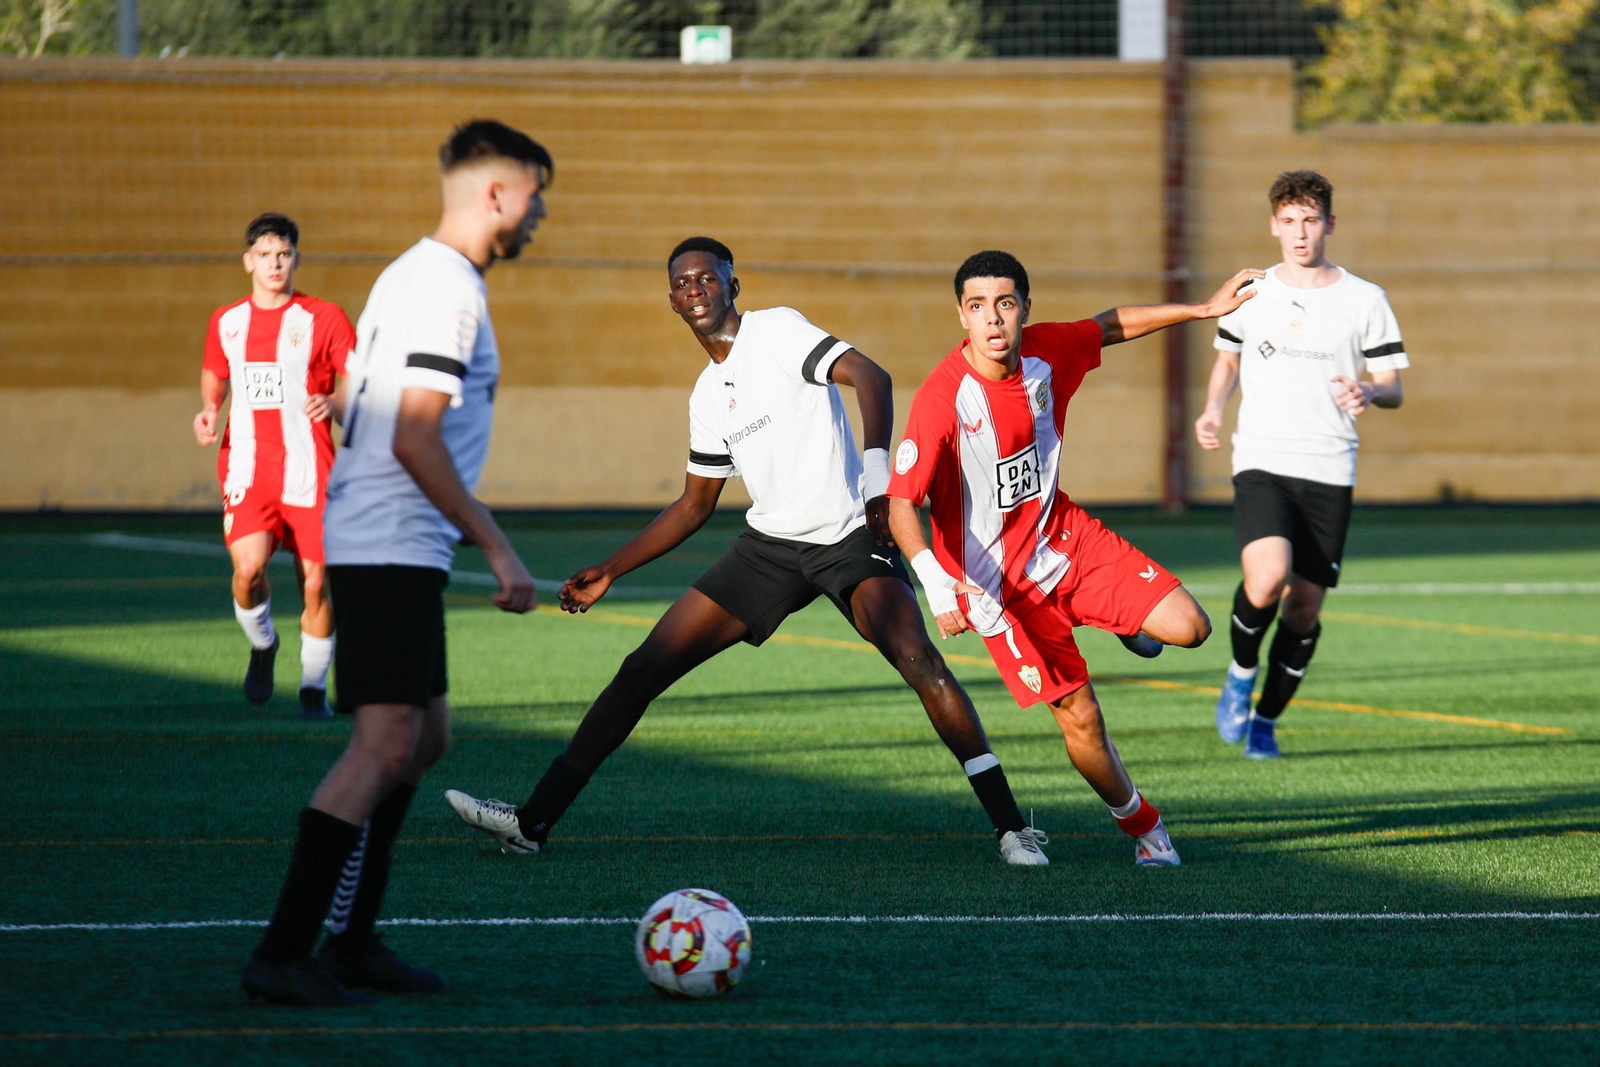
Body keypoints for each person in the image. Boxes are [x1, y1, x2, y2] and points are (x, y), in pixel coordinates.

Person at [445, 236, 1052, 867]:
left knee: (916, 656)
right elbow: (693, 506)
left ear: (732, 286)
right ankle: (532, 822)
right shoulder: (708, 396)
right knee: (641, 669)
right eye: (683, 283)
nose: (696, 290)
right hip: (771, 548)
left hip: (849, 534)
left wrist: (878, 481)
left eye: (707, 278)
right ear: (673, 301)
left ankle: (1011, 829)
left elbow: (872, 376)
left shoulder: (777, 331)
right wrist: (609, 569)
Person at [240, 120, 552, 1007]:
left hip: (390, 538)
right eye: (536, 196)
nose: (540, 215)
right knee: (383, 745)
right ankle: (285, 952)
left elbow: (356, 404)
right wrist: (496, 542)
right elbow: (415, 434)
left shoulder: (413, 272)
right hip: (387, 543)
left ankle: (352, 940)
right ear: (496, 192)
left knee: (428, 736)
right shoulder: (448, 287)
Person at [887, 250, 1261, 867]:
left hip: (1063, 539)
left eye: (1005, 303)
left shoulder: (1048, 351)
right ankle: (1146, 829)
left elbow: (1110, 325)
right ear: (962, 315)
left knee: (1192, 628)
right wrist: (936, 583)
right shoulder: (941, 398)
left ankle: (1117, 620)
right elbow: (901, 503)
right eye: (977, 306)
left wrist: (1203, 309)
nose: (992, 318)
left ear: (1025, 309)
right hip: (997, 591)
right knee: (1082, 718)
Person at [1196, 170, 1408, 759]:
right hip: (1262, 458)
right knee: (1267, 577)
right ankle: (1241, 674)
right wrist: (1212, 409)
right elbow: (1228, 360)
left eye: (1310, 220)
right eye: (1289, 220)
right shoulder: (1253, 290)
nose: (1299, 232)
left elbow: (1393, 386)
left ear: (1329, 224)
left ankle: (1266, 721)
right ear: (1273, 225)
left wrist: (1370, 391)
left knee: (1304, 608)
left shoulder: (1365, 299)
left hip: (1330, 467)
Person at [194, 213, 355, 719]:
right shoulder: (227, 321)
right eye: (265, 255)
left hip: (311, 467)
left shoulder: (324, 317)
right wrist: (209, 408)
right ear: (249, 261)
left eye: (283, 254)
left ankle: (312, 689)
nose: (275, 264)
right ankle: (263, 644)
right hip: (247, 466)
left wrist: (335, 402)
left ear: (296, 258)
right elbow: (215, 371)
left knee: (316, 584)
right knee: (248, 572)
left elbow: (355, 380)